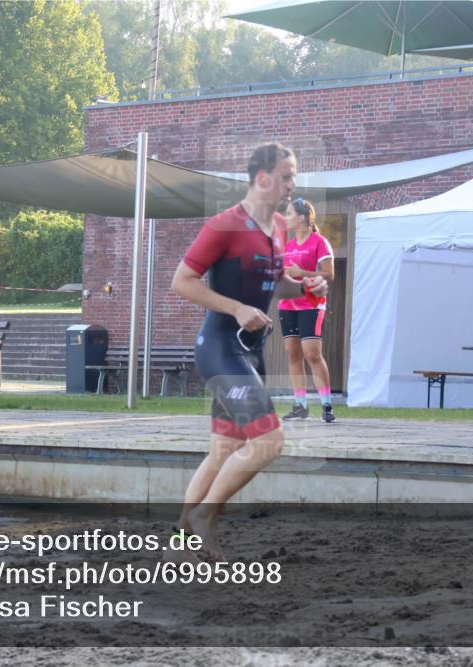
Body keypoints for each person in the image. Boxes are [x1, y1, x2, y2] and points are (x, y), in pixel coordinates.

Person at [171, 143, 328, 560]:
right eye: (287, 175)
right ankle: (206, 516)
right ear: (263, 178)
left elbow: (275, 285)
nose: (293, 185)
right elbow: (182, 281)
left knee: (222, 451)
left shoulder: (278, 227)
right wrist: (236, 308)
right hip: (221, 348)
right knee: (268, 441)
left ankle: (181, 544)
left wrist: (309, 286)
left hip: (250, 351)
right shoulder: (225, 226)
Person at [279, 197, 337, 423]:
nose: (286, 218)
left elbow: (329, 275)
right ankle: (300, 405)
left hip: (311, 304)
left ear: (303, 218)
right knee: (293, 355)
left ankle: (326, 405)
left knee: (312, 354)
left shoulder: (319, 242)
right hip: (287, 305)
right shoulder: (287, 246)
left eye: (289, 214)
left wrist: (301, 272)